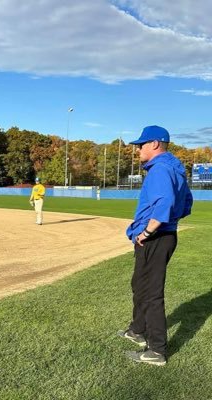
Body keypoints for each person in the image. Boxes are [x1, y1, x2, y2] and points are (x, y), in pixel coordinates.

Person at [118, 126, 193, 366]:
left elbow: (165, 203)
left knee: (150, 293)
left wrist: (148, 231)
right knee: (139, 284)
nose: (138, 149)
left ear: (155, 144)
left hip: (155, 237)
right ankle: (137, 330)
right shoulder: (174, 168)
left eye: (141, 144)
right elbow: (187, 203)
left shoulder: (161, 169)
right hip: (163, 235)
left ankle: (157, 350)